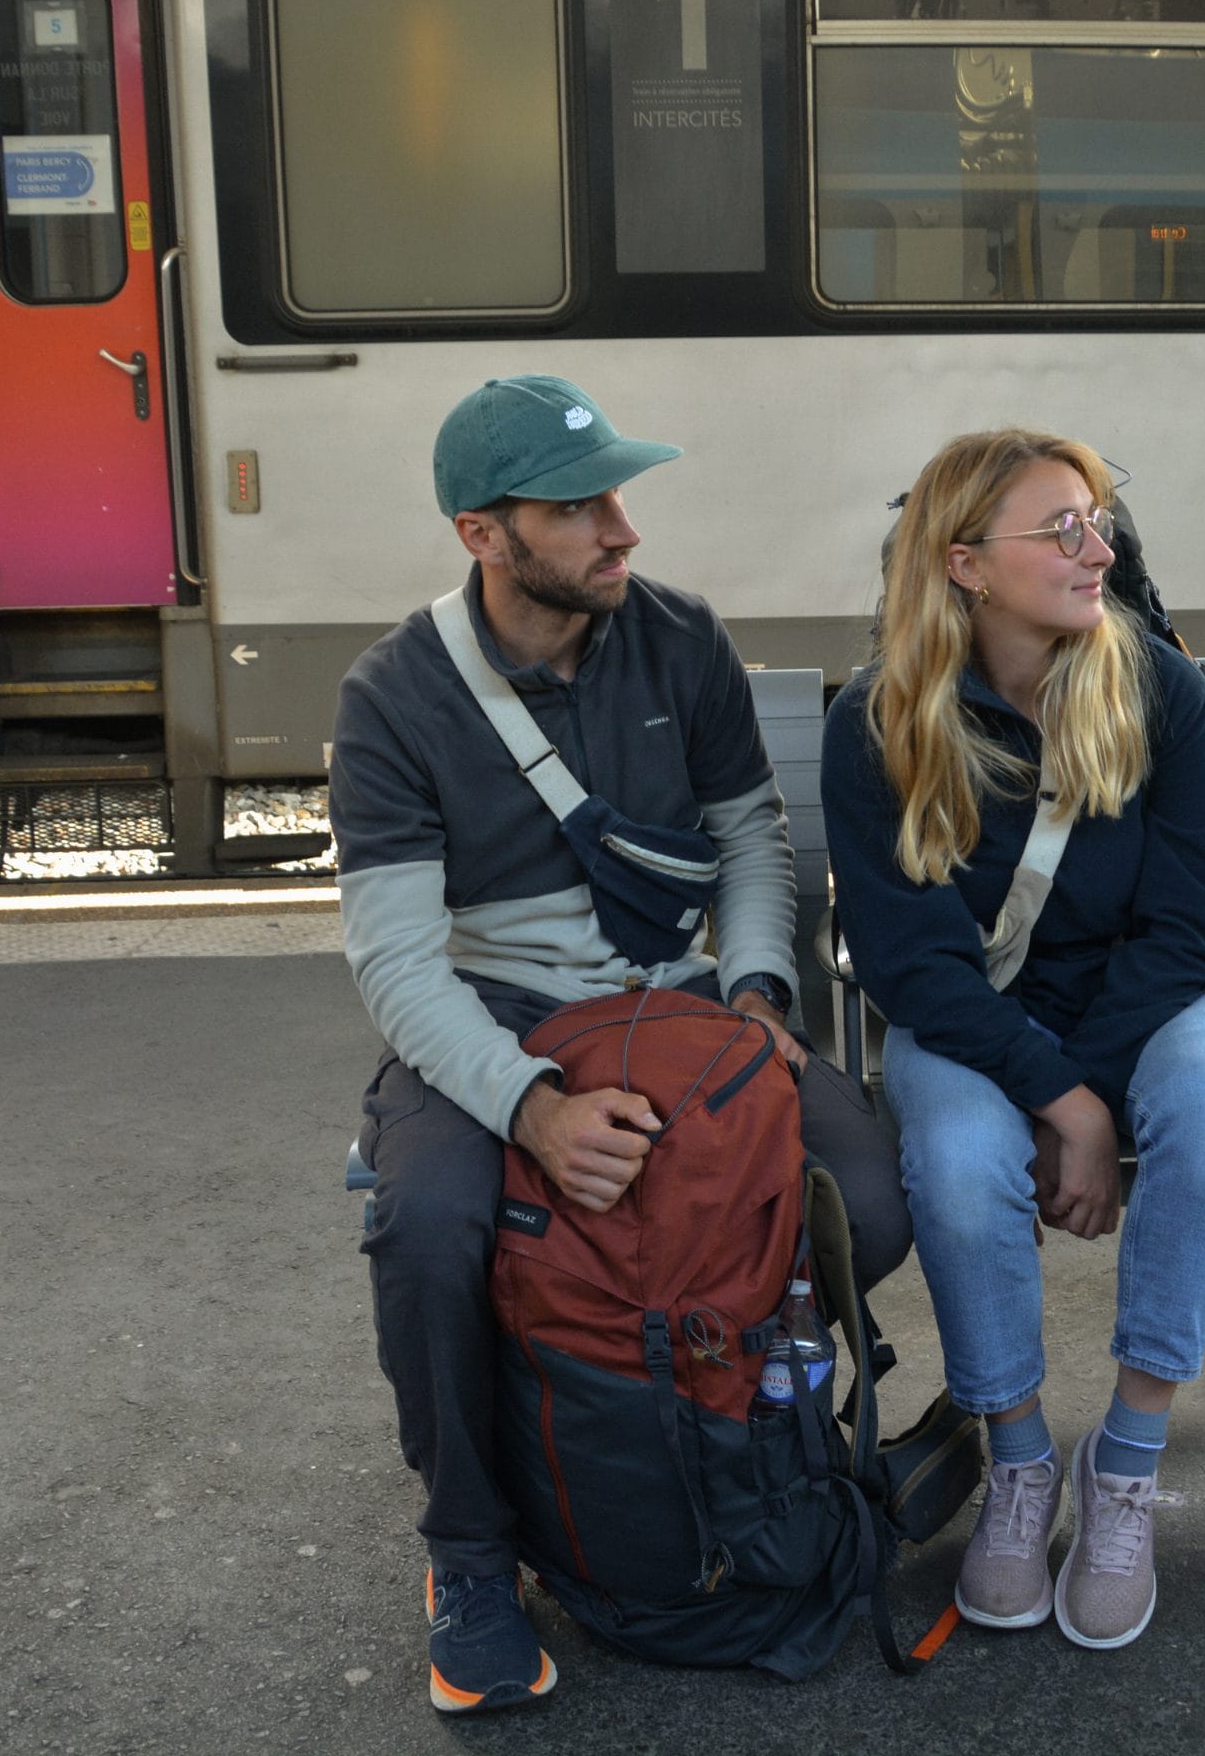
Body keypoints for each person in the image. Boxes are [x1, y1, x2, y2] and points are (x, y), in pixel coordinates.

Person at [329, 375, 910, 1715]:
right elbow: (402, 967)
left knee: (865, 1203)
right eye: (579, 506)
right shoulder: (392, 698)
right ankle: (471, 1551)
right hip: (499, 1022)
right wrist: (531, 1111)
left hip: (687, 1004)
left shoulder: (680, 640)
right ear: (484, 533)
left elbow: (750, 843)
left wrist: (760, 1005)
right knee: (430, 1230)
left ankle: (737, 1441)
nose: (620, 530)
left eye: (618, 496)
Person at [821, 428, 1205, 1652]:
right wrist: (1060, 1099)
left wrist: (1093, 1089)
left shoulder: (1159, 687)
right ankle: (1017, 1461)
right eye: (1059, 529)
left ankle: (1123, 1464)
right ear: (963, 563)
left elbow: (1192, 931)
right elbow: (915, 969)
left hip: (1149, 999)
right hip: (975, 1018)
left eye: (1098, 521)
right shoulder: (880, 721)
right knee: (960, 1164)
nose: (1098, 547)